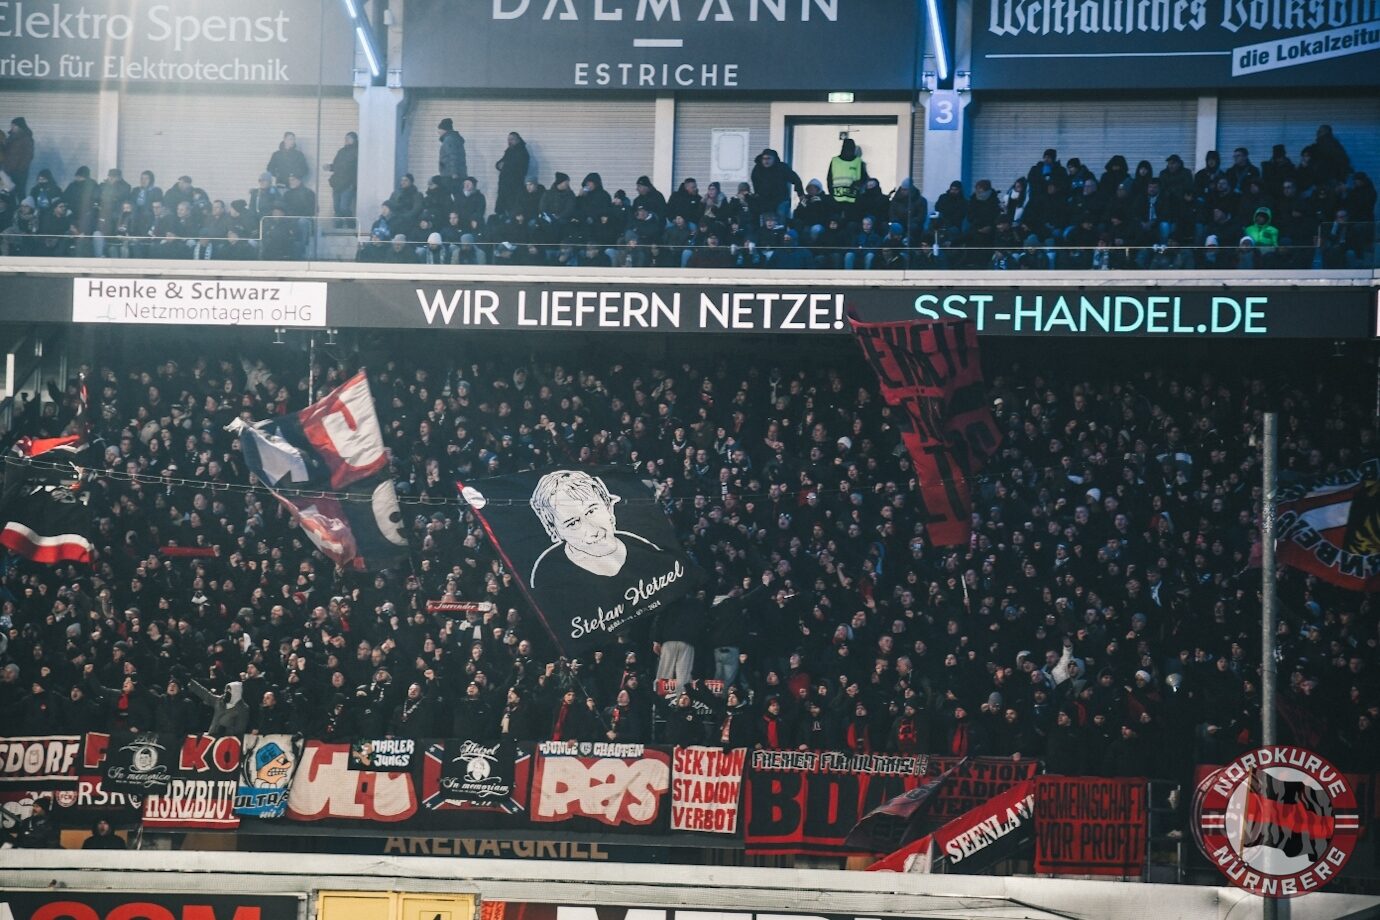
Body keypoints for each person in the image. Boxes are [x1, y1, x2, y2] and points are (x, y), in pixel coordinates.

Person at [751, 148, 804, 225]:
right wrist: (757, 194)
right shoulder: (758, 169)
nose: (766, 161)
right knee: (766, 219)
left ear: (774, 159)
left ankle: (781, 233)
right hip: (765, 200)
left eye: (769, 158)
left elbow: (796, 180)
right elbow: (755, 183)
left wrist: (800, 194)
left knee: (780, 216)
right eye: (764, 158)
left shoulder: (782, 168)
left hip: (781, 199)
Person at [827, 138, 868, 216]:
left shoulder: (858, 162)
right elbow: (829, 178)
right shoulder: (835, 161)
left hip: (852, 198)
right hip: (837, 198)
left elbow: (864, 178)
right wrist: (831, 193)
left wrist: (856, 185)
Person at [326, 131, 359, 227]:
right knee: (336, 208)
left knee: (344, 207)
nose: (346, 140)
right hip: (337, 183)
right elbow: (336, 165)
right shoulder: (341, 152)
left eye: (349, 138)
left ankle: (351, 226)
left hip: (348, 184)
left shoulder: (357, 152)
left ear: (355, 140)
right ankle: (338, 227)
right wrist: (330, 167)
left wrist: (354, 184)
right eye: (345, 138)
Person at [494, 132, 530, 218]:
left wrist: (505, 165)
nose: (509, 141)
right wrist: (498, 165)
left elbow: (519, 168)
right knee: (502, 210)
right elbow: (501, 162)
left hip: (514, 186)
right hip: (504, 185)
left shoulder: (523, 152)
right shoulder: (509, 151)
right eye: (508, 140)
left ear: (518, 140)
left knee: (513, 208)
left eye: (512, 139)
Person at [4, 117, 34, 200]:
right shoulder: (10, 137)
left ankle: (22, 209)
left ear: (20, 126)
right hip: (9, 170)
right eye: (11, 125)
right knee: (9, 192)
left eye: (14, 126)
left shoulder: (26, 138)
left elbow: (28, 156)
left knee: (20, 192)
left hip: (19, 172)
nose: (12, 127)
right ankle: (11, 209)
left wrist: (20, 169)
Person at [437, 118, 467, 193]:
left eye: (439, 129)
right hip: (455, 173)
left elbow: (453, 156)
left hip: (449, 175)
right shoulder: (454, 138)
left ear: (444, 129)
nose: (438, 132)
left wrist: (454, 173)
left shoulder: (449, 139)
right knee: (458, 195)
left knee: (452, 197)